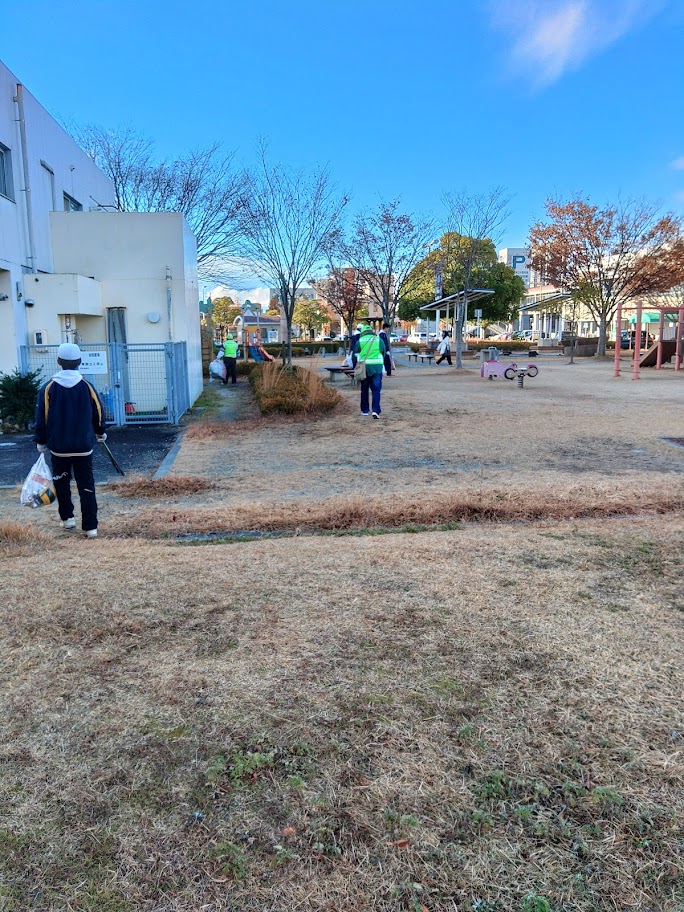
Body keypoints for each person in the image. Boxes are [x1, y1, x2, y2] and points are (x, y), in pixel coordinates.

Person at [33, 342, 106, 538]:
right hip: (83, 447)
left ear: (58, 361)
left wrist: (40, 441)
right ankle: (91, 527)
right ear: (79, 362)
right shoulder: (86, 386)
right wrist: (100, 432)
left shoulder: (48, 388)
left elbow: (42, 418)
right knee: (86, 485)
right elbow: (98, 412)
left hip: (59, 448)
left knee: (61, 483)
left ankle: (68, 519)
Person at [352, 323, 387, 419]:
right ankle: (375, 410)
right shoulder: (378, 340)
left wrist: (355, 365)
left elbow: (354, 355)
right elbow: (383, 352)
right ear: (372, 332)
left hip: (364, 368)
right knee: (376, 390)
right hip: (377, 368)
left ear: (362, 332)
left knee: (364, 389)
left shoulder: (360, 340)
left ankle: (365, 410)